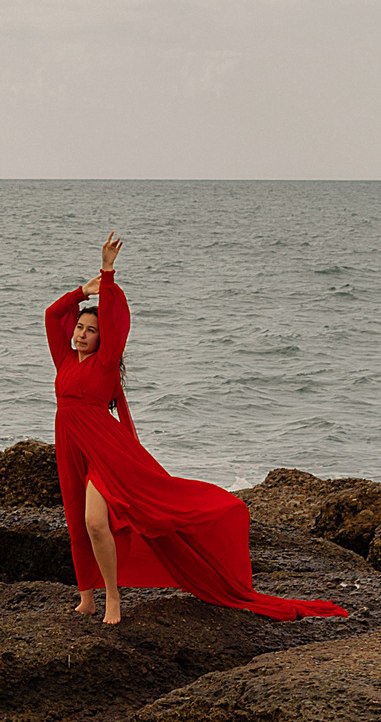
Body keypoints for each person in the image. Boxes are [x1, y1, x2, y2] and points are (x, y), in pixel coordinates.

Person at [45, 234, 350, 627]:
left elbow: (117, 320)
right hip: (69, 445)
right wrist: (81, 292)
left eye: (90, 330)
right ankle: (86, 598)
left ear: (103, 340)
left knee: (95, 523)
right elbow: (52, 315)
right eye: (80, 327)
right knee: (76, 522)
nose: (81, 334)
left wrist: (107, 274)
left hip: (107, 451)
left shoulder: (104, 364)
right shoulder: (65, 360)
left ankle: (113, 598)